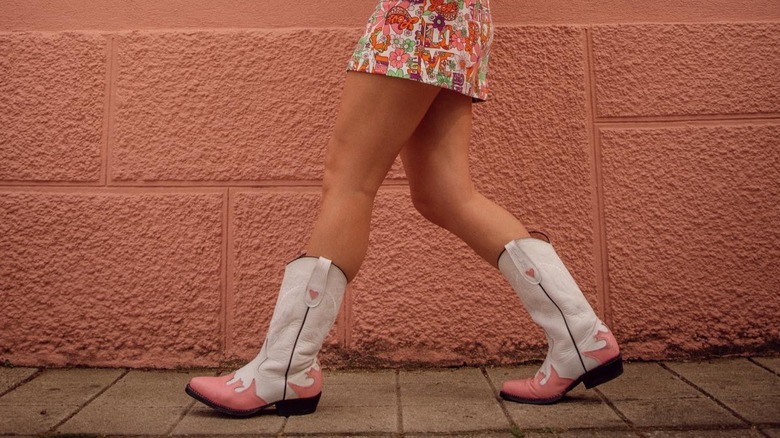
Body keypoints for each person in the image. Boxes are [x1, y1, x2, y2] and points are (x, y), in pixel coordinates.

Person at [184, 0, 622, 417]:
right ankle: (580, 335)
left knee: (349, 181)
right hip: (457, 17)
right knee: (444, 193)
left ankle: (282, 370)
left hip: (419, 15)